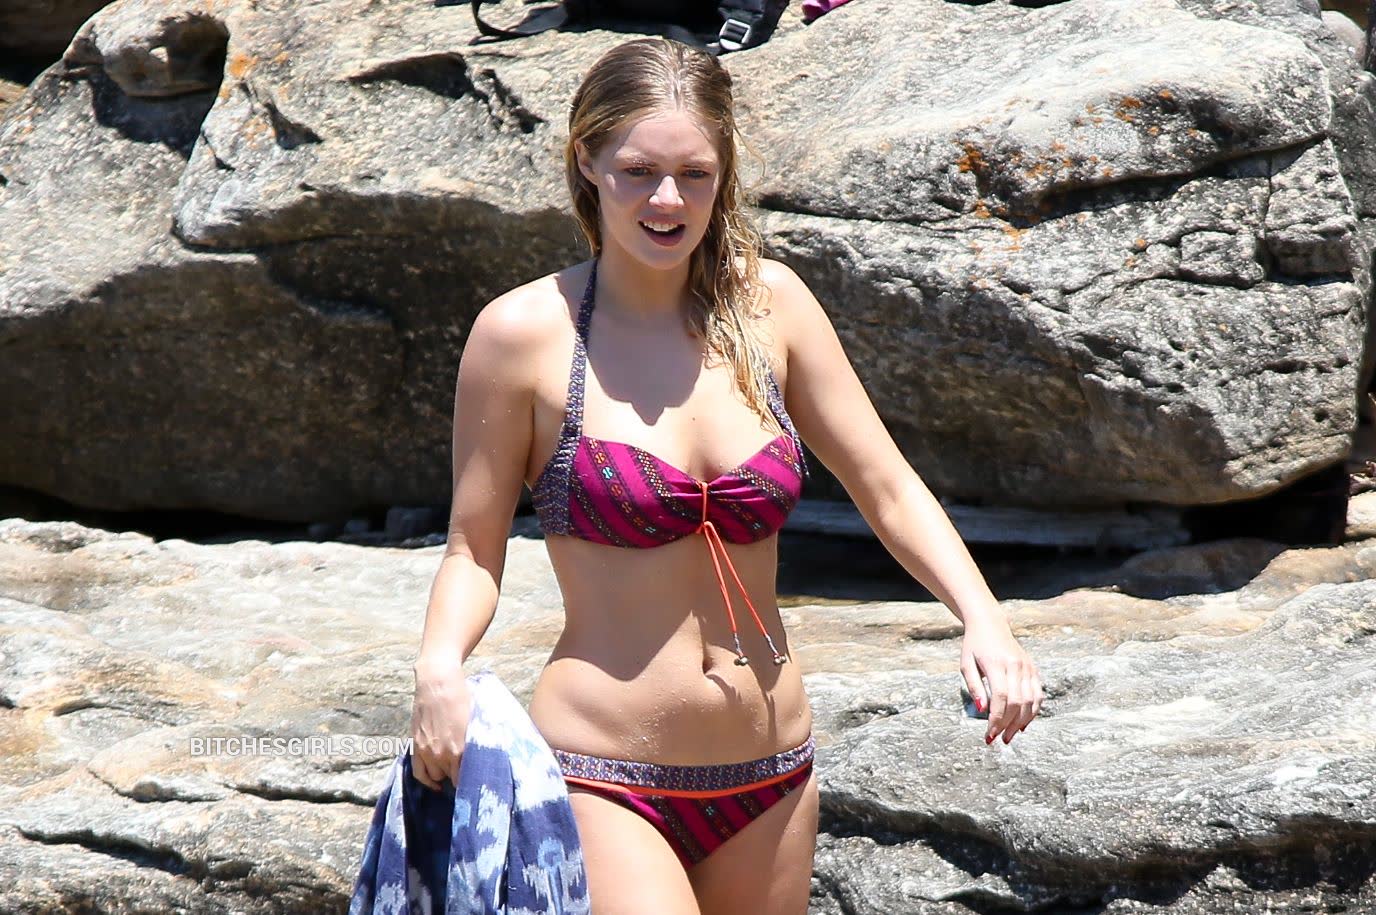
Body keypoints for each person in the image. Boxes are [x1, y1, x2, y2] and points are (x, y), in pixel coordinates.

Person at [408, 36, 1045, 915]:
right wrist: (440, 666)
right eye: (638, 171)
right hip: (602, 772)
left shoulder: (772, 306)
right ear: (587, 161)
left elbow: (888, 486)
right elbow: (474, 550)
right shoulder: (523, 334)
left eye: (694, 174)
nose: (667, 200)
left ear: (724, 171)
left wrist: (985, 619)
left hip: (773, 775)